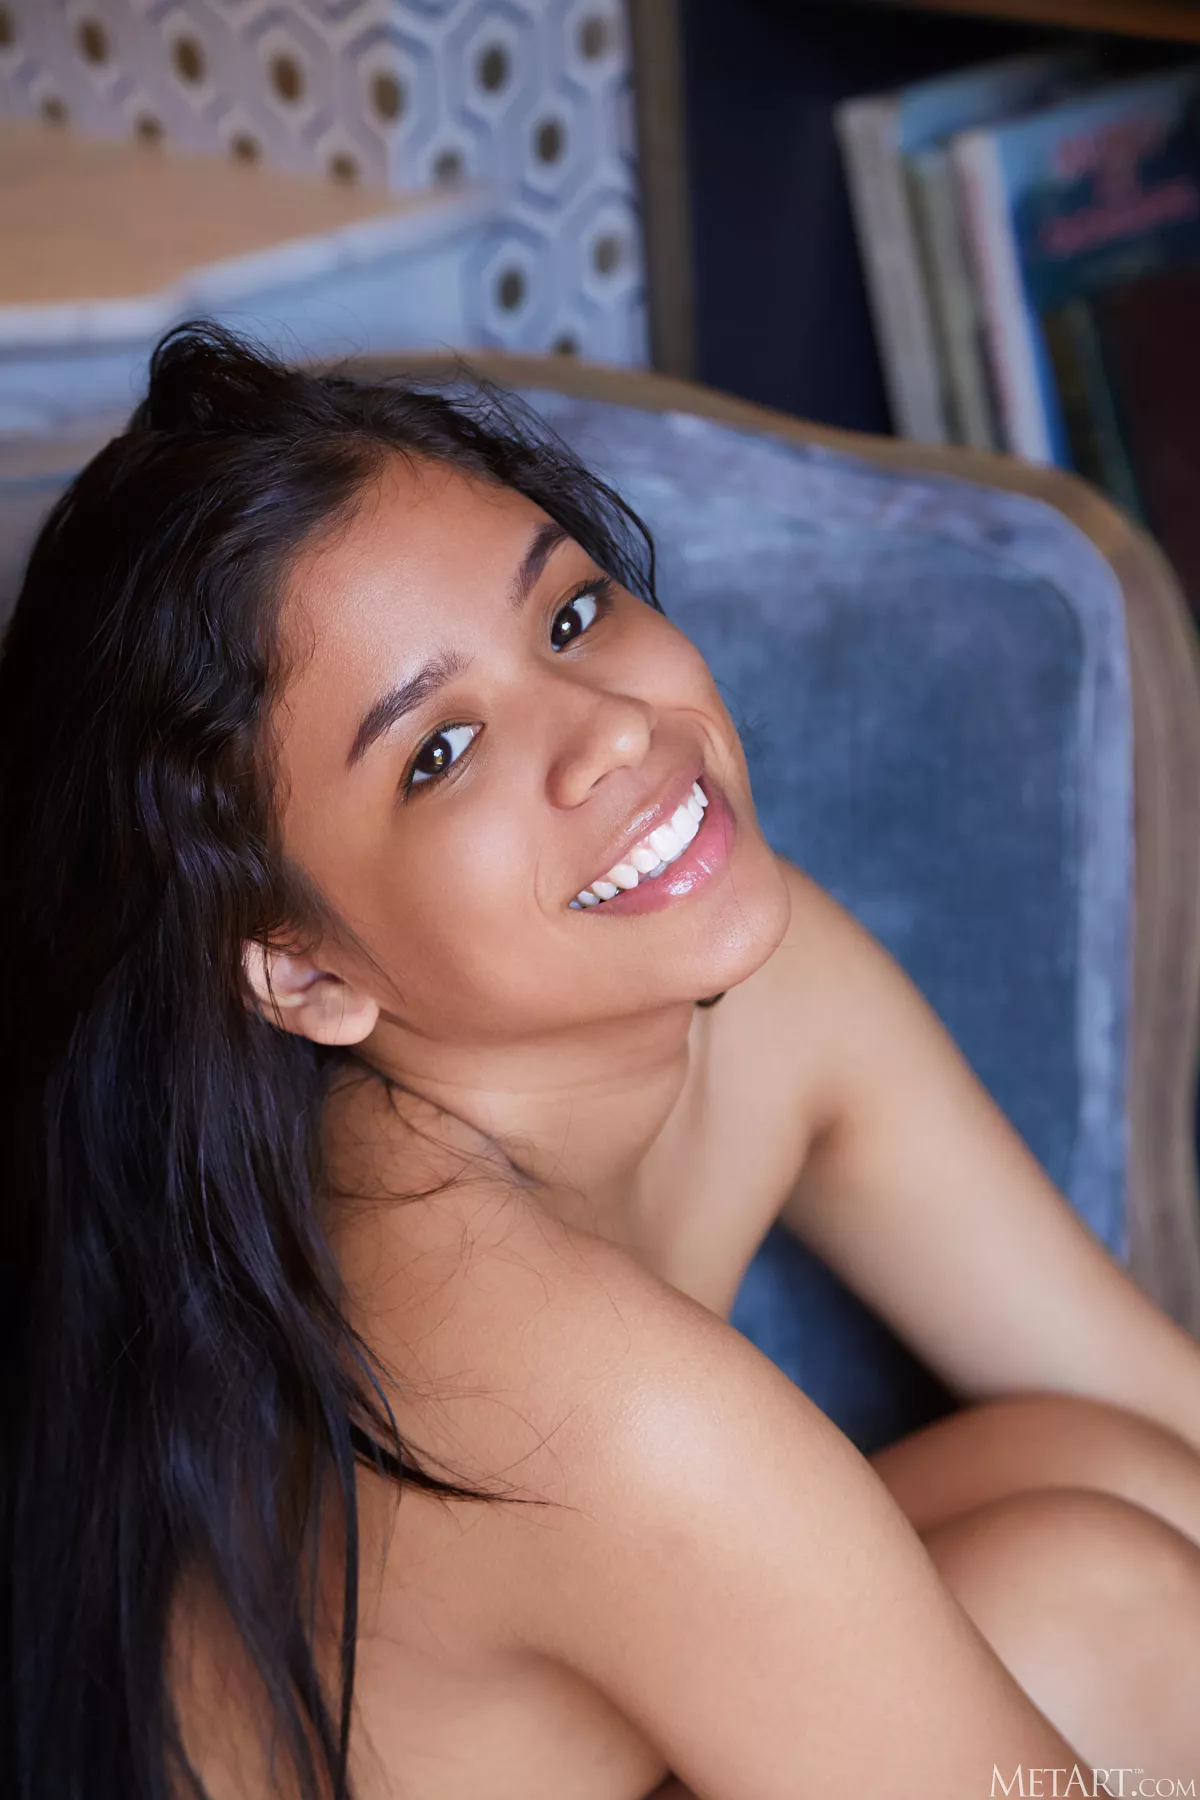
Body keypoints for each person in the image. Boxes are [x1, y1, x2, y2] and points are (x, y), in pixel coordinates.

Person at [3, 323, 1200, 1800]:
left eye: (570, 616)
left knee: (1109, 1497)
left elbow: (1149, 1397)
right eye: (439, 754)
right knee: (1097, 1615)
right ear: (305, 971)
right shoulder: (559, 1385)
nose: (614, 734)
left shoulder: (762, 988)